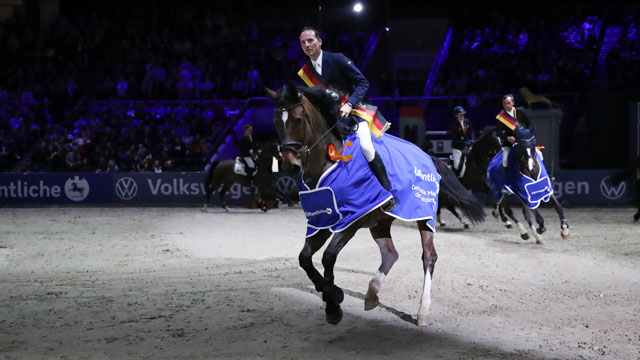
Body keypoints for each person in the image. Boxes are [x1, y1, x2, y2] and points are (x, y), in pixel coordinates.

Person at [298, 26, 394, 209]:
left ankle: (386, 191)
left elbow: (363, 82)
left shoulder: (338, 59)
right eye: (303, 42)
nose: (307, 45)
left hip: (354, 113)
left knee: (366, 147)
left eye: (310, 40)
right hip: (331, 120)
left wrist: (350, 104)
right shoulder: (307, 71)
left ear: (319, 42)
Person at [496, 94, 530, 176]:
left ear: (513, 103)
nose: (506, 105)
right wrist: (507, 138)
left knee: (536, 154)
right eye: (504, 103)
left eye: (508, 103)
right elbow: (499, 132)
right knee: (504, 160)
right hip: (509, 143)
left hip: (522, 140)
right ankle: (506, 178)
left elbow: (529, 125)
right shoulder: (501, 117)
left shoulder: (520, 112)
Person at [450, 106, 474, 177]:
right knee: (457, 164)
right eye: (460, 115)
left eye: (463, 114)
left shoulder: (467, 121)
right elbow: (454, 138)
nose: (462, 116)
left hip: (466, 146)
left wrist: (472, 140)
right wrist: (463, 143)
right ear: (456, 115)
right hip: (457, 147)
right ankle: (456, 176)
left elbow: (471, 131)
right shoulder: (454, 125)